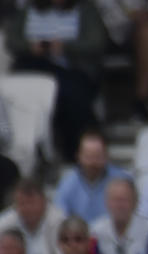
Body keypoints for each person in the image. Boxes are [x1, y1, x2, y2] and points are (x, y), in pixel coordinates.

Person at [5, 0, 107, 159]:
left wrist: (65, 47)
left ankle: (75, 152)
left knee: (73, 96)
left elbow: (96, 42)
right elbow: (12, 41)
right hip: (34, 68)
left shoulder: (85, 10)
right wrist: (30, 47)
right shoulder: (28, 10)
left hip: (71, 70)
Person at [54, 130, 130, 223]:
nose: (93, 163)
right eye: (89, 157)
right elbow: (60, 216)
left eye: (97, 157)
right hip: (79, 235)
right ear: (78, 156)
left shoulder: (122, 180)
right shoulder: (67, 182)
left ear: (106, 156)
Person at [0, 179, 65, 254]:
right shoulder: (4, 223)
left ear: (44, 201)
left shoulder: (59, 222)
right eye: (21, 203)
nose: (26, 208)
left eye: (31, 202)